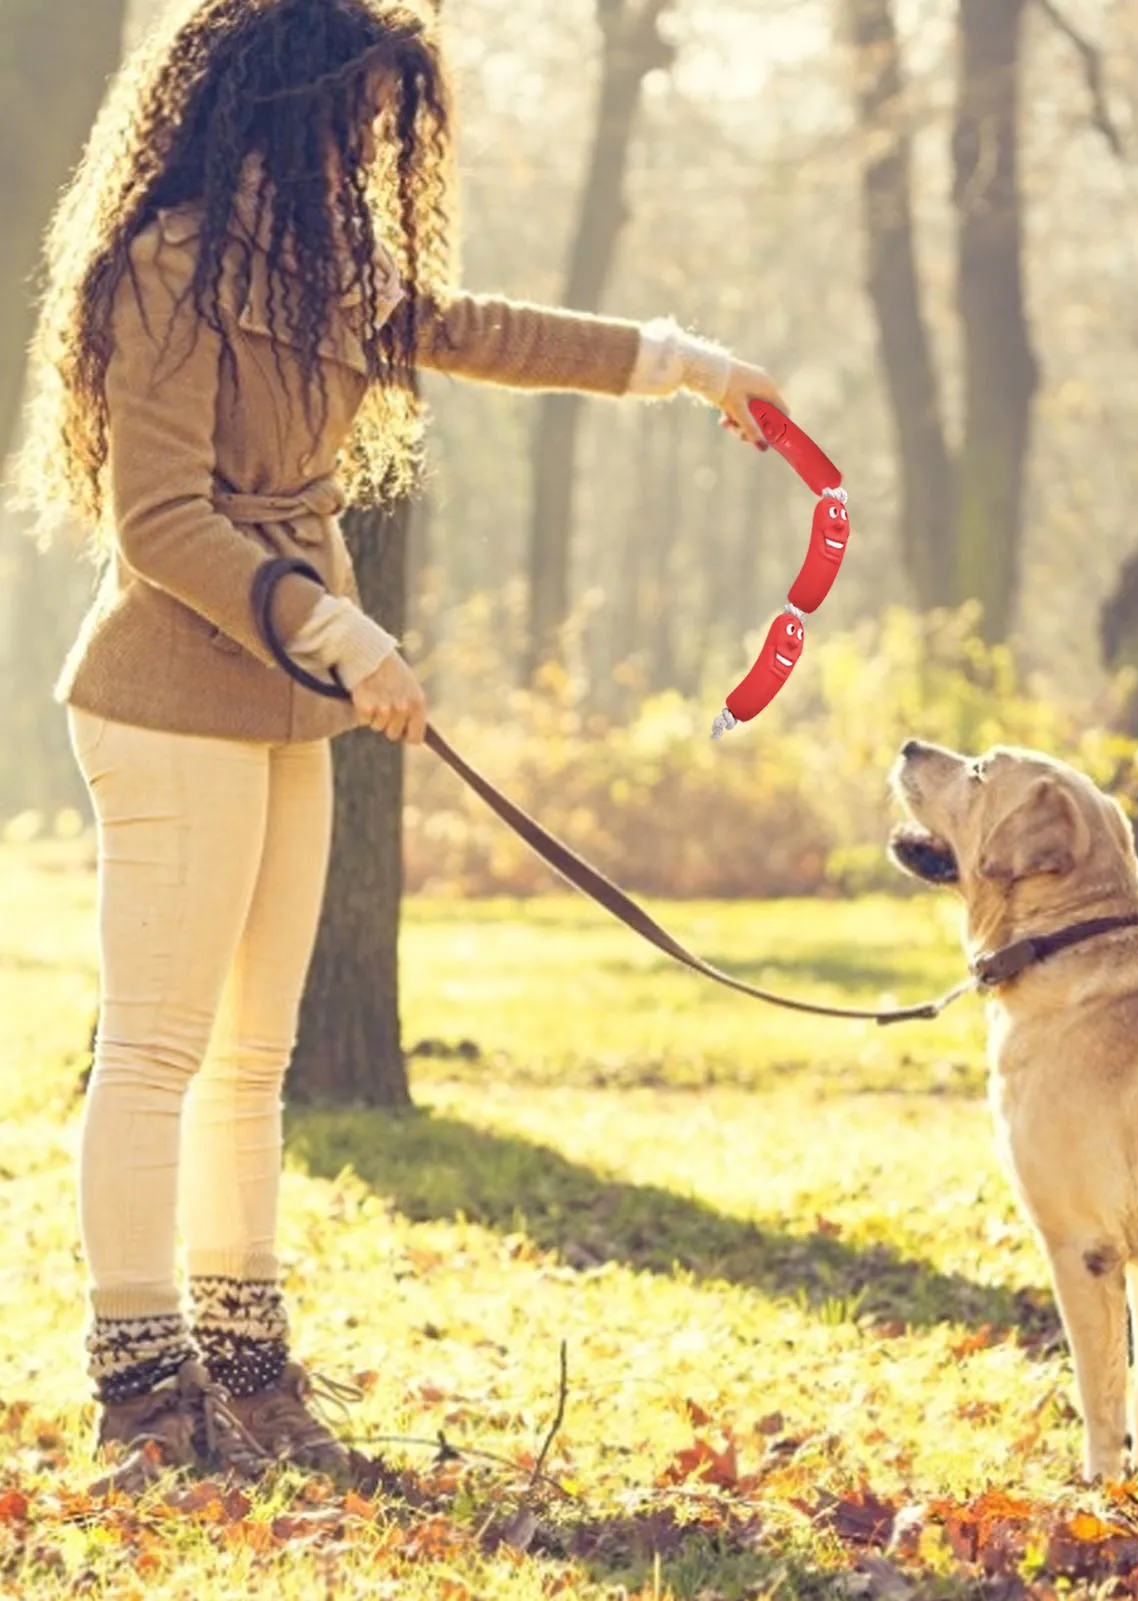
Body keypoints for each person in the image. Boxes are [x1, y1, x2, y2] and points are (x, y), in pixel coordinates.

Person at [16, 0, 786, 1493]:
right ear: (281, 100)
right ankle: (146, 1397)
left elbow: (481, 329)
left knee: (254, 1062)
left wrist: (687, 365)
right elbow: (159, 522)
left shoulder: (323, 264)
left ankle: (247, 1370)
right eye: (360, 116)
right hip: (168, 693)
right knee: (160, 1051)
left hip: (283, 697)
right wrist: (343, 634)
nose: (374, 145)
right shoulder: (164, 265)